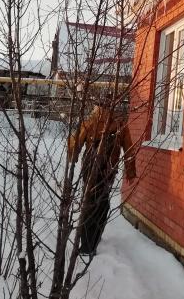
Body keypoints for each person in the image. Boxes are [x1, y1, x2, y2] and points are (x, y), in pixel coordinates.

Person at [67, 100, 137, 255]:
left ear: (97, 106)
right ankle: (94, 239)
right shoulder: (120, 124)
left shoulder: (90, 122)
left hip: (90, 169)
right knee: (102, 204)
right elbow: (129, 151)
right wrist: (130, 171)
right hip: (108, 172)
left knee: (89, 202)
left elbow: (74, 143)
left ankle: (86, 243)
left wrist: (72, 157)